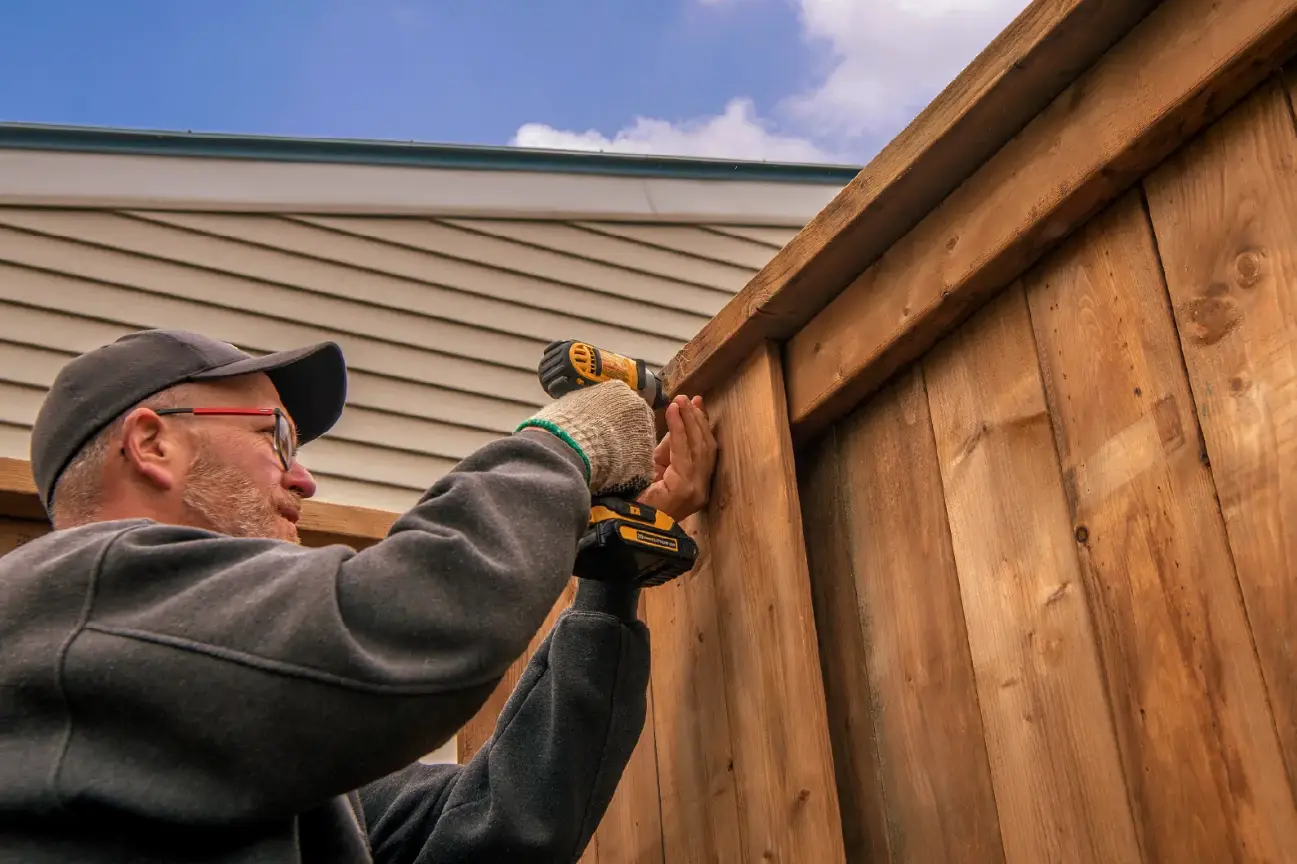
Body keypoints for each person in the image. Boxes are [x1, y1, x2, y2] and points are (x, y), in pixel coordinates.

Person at [0, 329, 717, 863]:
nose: (304, 481)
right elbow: (400, 624)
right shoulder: (56, 598)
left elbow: (505, 822)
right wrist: (563, 446)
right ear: (153, 445)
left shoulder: (251, 750)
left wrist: (609, 574)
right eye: (277, 435)